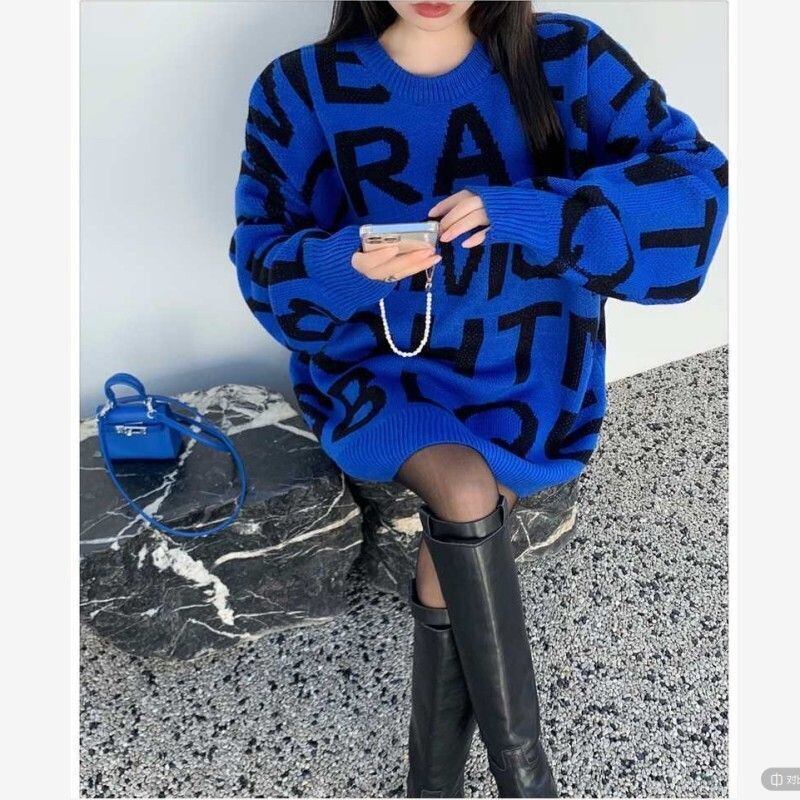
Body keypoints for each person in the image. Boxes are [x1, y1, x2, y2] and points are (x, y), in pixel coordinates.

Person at [229, 2, 728, 796]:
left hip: (528, 380)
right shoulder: (301, 87)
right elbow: (263, 268)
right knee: (464, 493)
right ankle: (525, 778)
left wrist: (531, 214)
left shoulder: (565, 56)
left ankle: (432, 783)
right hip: (377, 374)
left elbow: (695, 192)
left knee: (457, 531)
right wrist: (347, 264)